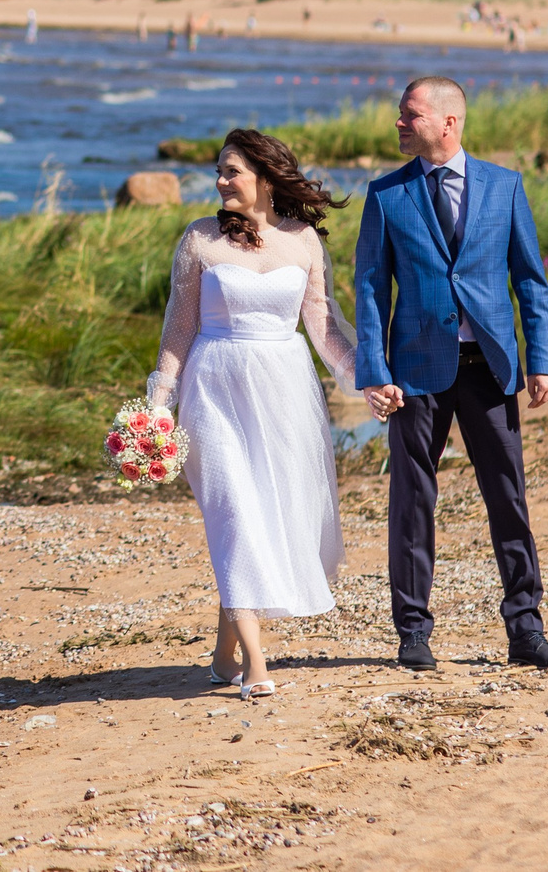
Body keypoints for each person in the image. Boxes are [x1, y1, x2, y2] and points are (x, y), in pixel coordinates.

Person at [355, 76, 548, 672]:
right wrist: (373, 371)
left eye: (410, 114)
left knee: (508, 499)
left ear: (448, 122)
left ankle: (526, 630)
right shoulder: (385, 195)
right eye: (400, 115)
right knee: (411, 503)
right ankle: (413, 634)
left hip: (491, 370)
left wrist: (543, 362)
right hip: (415, 374)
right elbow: (371, 289)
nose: (399, 123)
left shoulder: (505, 187)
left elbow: (531, 280)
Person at [147, 129, 357, 699]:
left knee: (263, 512)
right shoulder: (200, 240)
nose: (219, 182)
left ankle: (222, 655)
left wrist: (370, 379)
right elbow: (178, 329)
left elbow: (323, 328)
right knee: (233, 511)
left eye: (231, 171)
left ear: (265, 176)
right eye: (217, 171)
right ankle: (256, 664)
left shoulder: (304, 241)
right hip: (211, 389)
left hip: (284, 393)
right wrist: (156, 407)